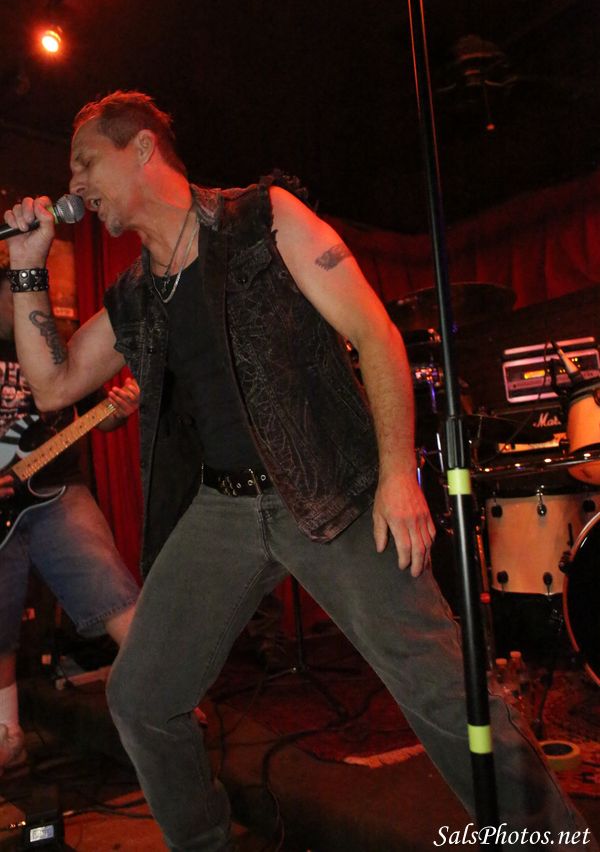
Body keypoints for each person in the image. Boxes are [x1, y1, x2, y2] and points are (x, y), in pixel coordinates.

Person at [2, 91, 596, 851]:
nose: (75, 183)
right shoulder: (136, 293)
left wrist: (396, 475)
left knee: (444, 694)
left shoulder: (264, 218)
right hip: (223, 508)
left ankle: (549, 842)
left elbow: (375, 334)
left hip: (332, 492)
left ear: (142, 148)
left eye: (85, 161)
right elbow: (53, 386)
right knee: (141, 696)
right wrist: (27, 269)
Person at [0, 255, 140, 774]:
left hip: (57, 488)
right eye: (11, 293)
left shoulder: (54, 347)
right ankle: (8, 735)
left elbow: (94, 417)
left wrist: (117, 413)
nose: (20, 303)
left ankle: (164, 698)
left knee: (112, 588)